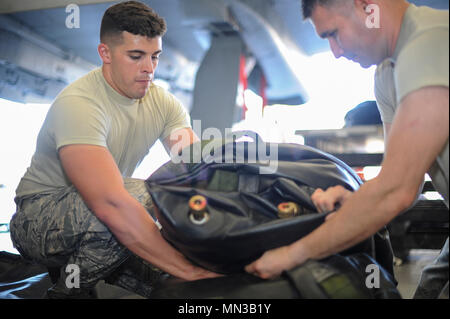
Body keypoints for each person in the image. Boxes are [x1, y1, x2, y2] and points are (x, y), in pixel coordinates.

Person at [9, 1, 219, 298]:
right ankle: (66, 293)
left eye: (154, 57)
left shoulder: (163, 103)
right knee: (145, 195)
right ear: (105, 53)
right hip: (38, 219)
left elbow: (194, 168)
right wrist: (187, 270)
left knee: (182, 286)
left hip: (101, 216)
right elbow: (111, 204)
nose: (148, 68)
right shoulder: (79, 104)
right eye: (136, 56)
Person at [245, 0, 449, 299]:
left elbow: (397, 191)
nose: (336, 52)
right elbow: (404, 177)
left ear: (366, 6)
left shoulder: (430, 42)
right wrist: (355, 198)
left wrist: (292, 255)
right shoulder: (386, 75)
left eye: (333, 34)